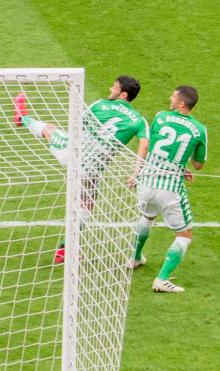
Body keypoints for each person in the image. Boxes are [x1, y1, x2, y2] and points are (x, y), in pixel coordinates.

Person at [13, 75, 150, 263]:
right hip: (91, 168)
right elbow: (144, 145)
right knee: (85, 206)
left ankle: (22, 118)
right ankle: (65, 249)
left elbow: (78, 125)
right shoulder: (140, 121)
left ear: (123, 94)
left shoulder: (100, 104)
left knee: (49, 130)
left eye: (115, 87)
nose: (111, 88)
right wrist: (136, 172)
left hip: (72, 152)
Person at [129, 86, 207, 293]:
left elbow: (156, 147)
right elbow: (199, 164)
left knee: (146, 216)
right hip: (169, 189)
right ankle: (162, 279)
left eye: (173, 96)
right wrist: (182, 166)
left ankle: (134, 258)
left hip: (146, 182)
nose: (170, 98)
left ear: (182, 103)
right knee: (184, 235)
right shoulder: (199, 129)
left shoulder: (161, 117)